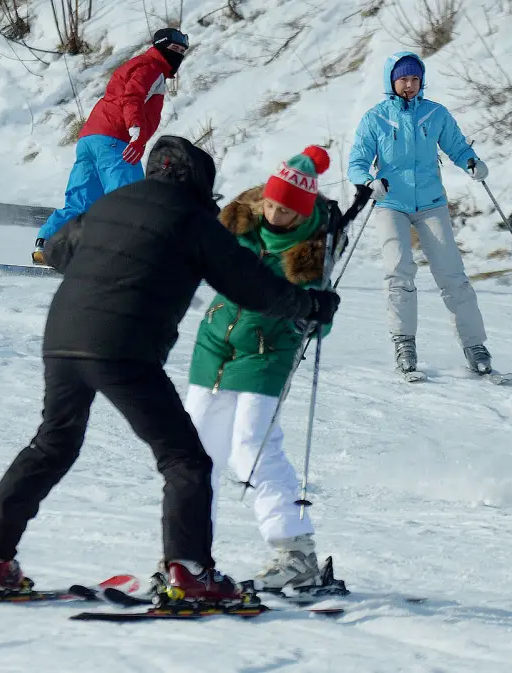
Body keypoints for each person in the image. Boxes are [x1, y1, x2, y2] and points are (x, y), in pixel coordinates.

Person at [0, 136, 341, 605]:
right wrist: (311, 304)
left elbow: (58, 249)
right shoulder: (193, 219)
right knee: (186, 459)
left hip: (62, 340)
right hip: (124, 347)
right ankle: (190, 573)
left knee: (51, 445)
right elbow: (253, 287)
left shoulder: (114, 201)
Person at [185, 145, 351, 591]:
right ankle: (189, 552)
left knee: (251, 448)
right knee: (194, 453)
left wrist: (318, 319)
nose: (276, 215)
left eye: (287, 211)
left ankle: (294, 549)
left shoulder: (315, 248)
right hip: (214, 344)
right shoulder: (236, 219)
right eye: (272, 205)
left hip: (268, 349)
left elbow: (317, 314)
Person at [347, 51, 493, 378]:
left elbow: (457, 147)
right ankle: (404, 342)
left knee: (452, 273)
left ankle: (475, 345)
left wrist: (471, 161)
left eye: (415, 79)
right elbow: (356, 163)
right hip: (391, 203)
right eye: (403, 79)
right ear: (391, 82)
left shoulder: (435, 114)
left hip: (430, 202)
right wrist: (369, 182)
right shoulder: (376, 118)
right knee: (399, 270)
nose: (410, 85)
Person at [31, 27, 191, 264]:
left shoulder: (138, 65)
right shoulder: (151, 68)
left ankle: (47, 245)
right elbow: (132, 97)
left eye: (182, 50)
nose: (178, 54)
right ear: (160, 47)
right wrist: (135, 130)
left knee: (82, 201)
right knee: (129, 200)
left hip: (91, 138)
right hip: (118, 140)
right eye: (174, 49)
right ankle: (129, 255)